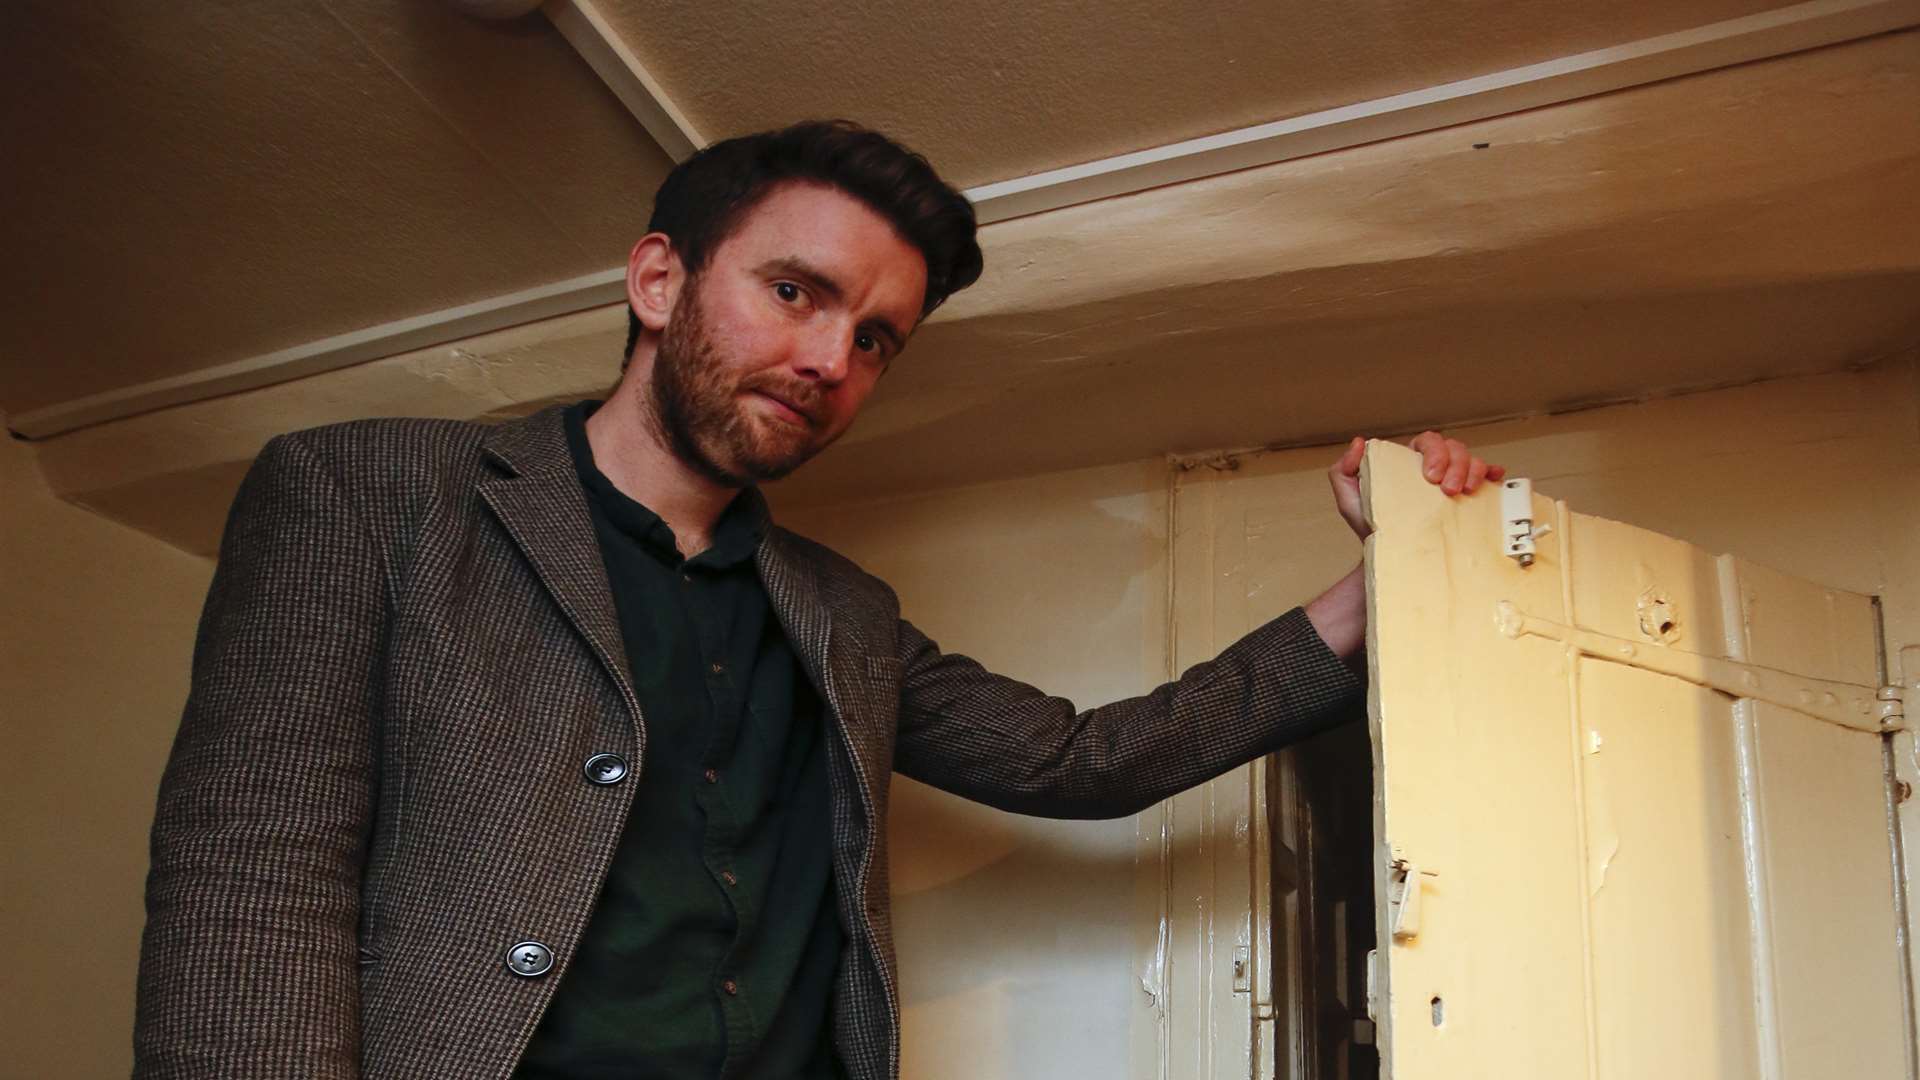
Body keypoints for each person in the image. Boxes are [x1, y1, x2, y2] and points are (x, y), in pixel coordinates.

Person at [133, 121, 1502, 1079]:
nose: (829, 359)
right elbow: (252, 886)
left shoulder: (839, 614)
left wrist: (1370, 601)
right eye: (796, 291)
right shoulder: (366, 496)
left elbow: (1091, 760)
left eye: (874, 340)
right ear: (659, 280)